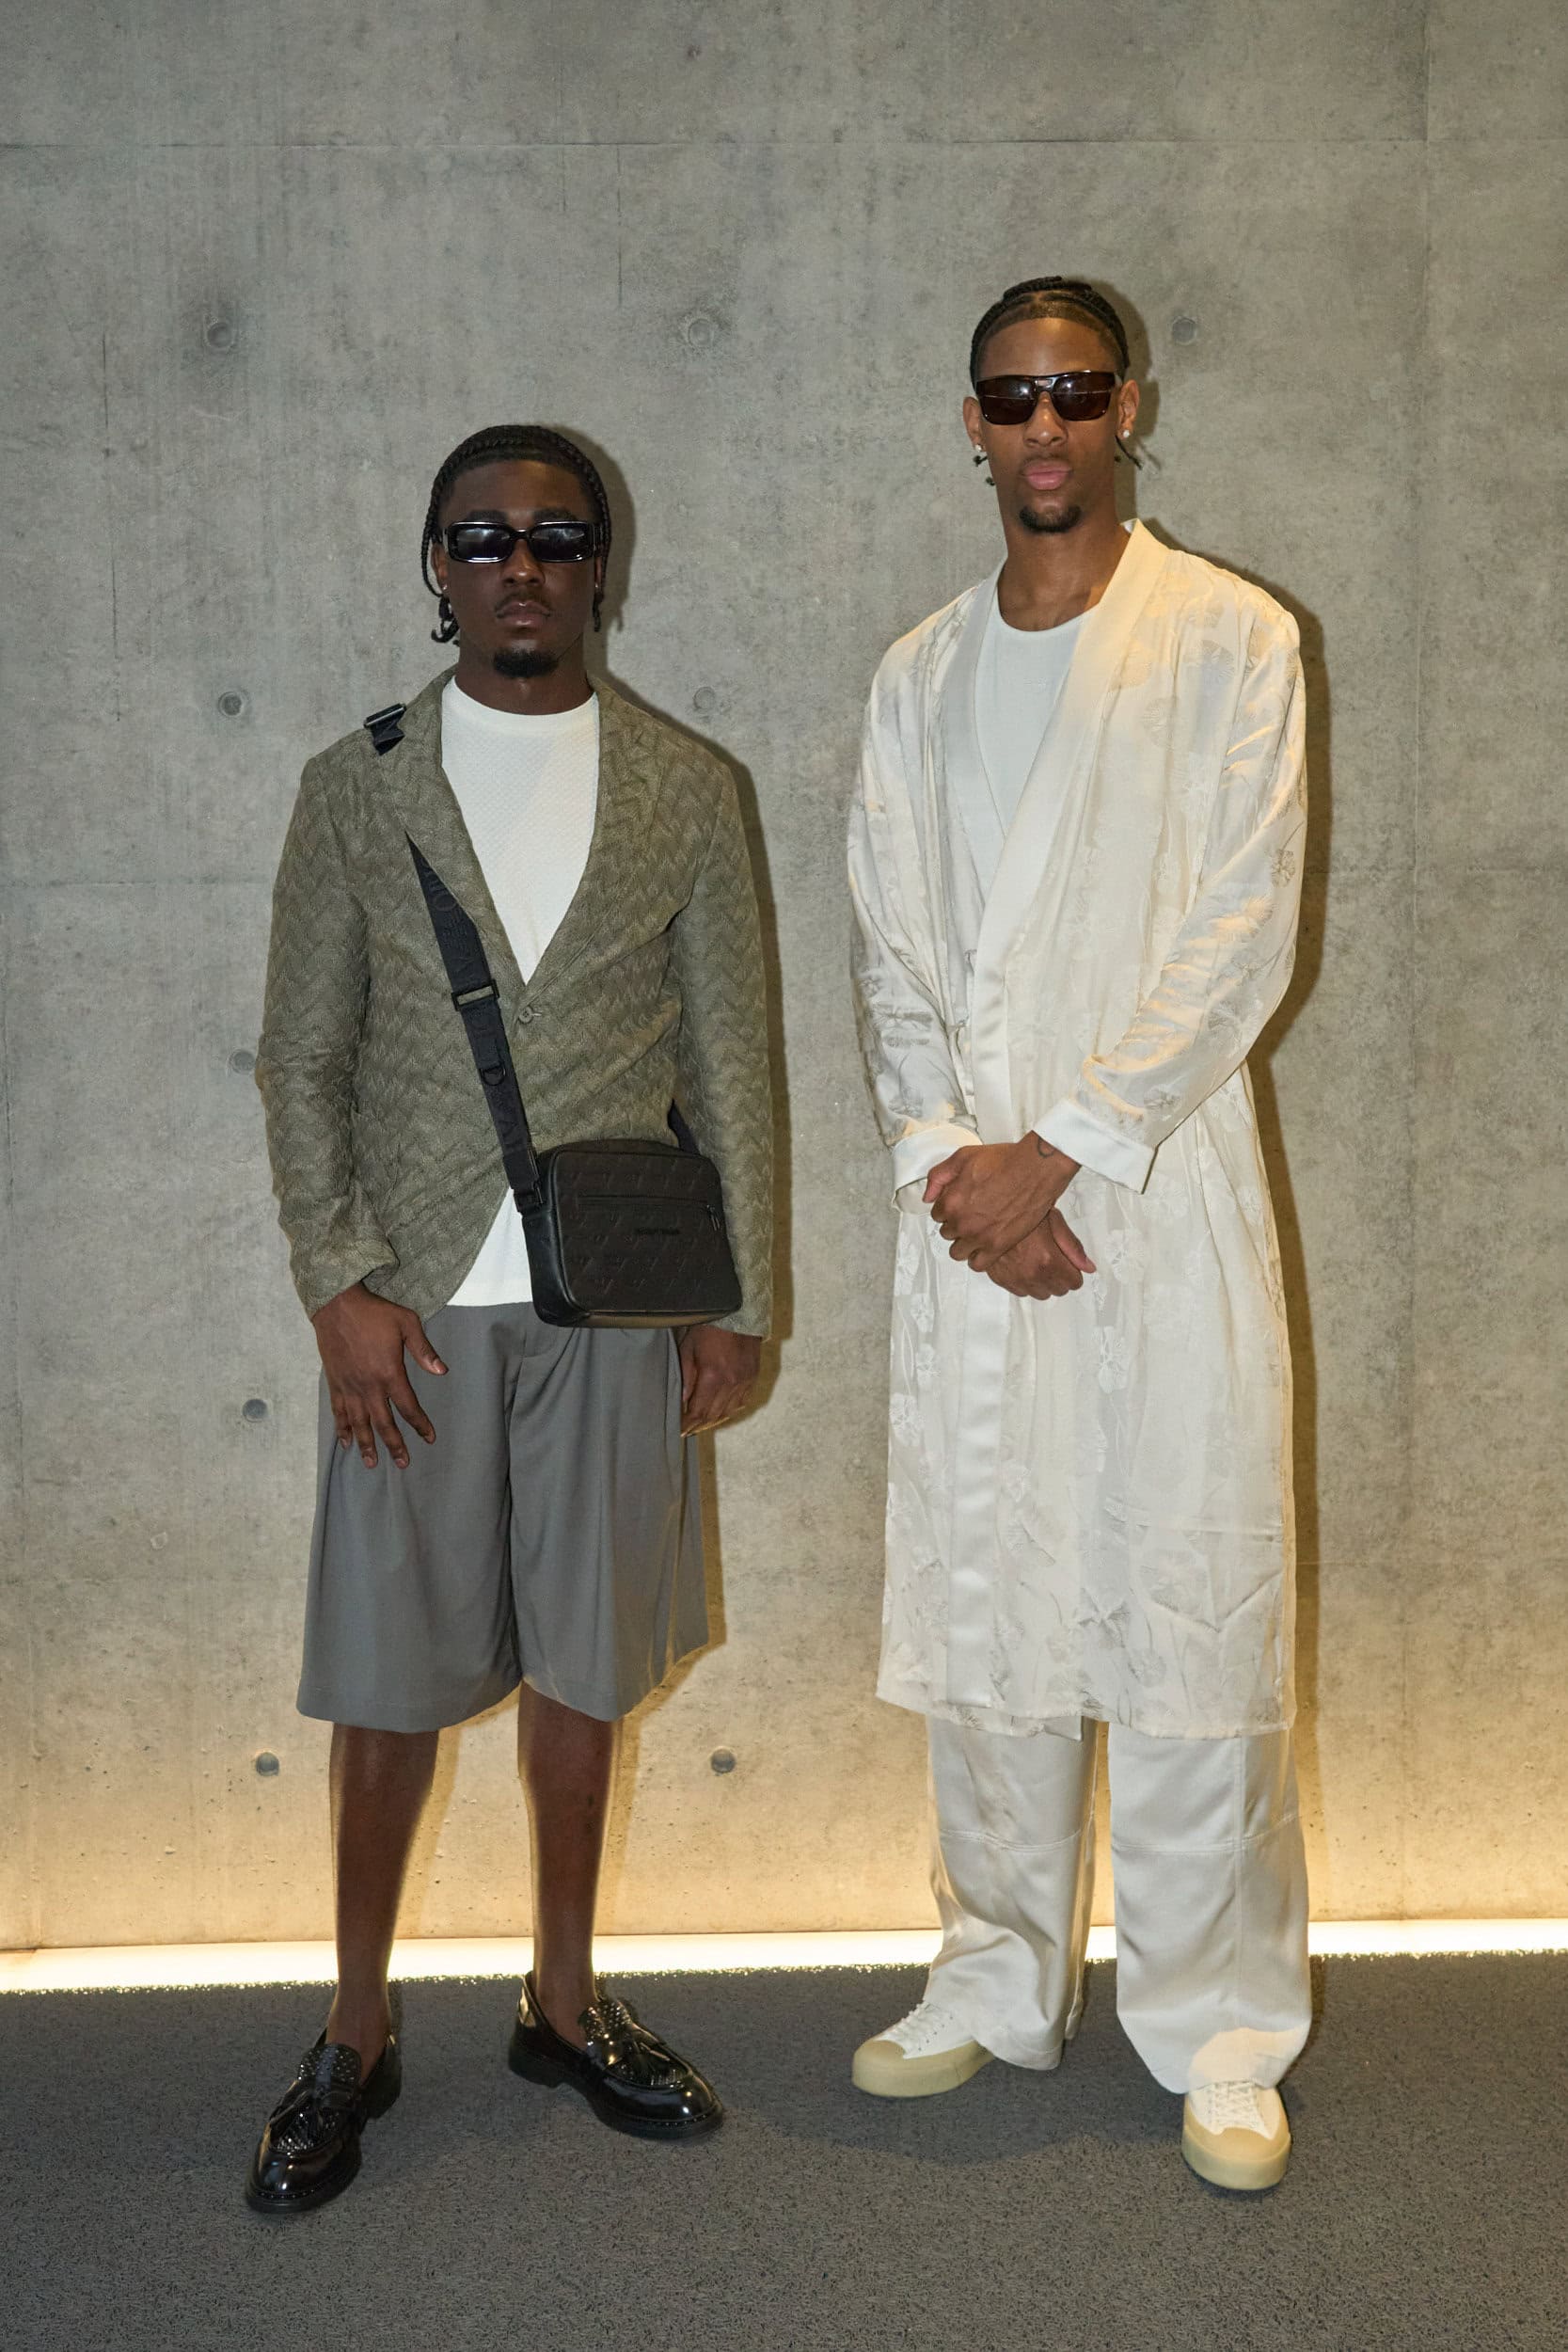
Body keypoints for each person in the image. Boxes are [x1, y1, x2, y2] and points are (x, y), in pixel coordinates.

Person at [247, 423, 772, 2213]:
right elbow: (301, 1060)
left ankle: (562, 1999)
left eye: (556, 536)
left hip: (620, 1308)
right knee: (387, 1685)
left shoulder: (689, 787)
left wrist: (737, 1300)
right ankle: (355, 2026)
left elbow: (734, 1067)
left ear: (601, 566)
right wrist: (338, 1283)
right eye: (483, 539)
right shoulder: (356, 787)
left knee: (589, 1669)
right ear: (437, 567)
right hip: (412, 1318)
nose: (520, 566)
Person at [847, 278, 1310, 2192]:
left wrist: (1064, 1152)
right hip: (978, 1215)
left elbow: (1241, 931)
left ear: (1130, 408)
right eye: (1012, 396)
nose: (1045, 425)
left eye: (1077, 390)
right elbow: (889, 947)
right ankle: (991, 1970)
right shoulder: (918, 674)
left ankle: (1220, 2023)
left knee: (1185, 1594)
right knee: (997, 1590)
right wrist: (957, 1165)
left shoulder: (1234, 640)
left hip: (1156, 1190)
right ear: (971, 422)